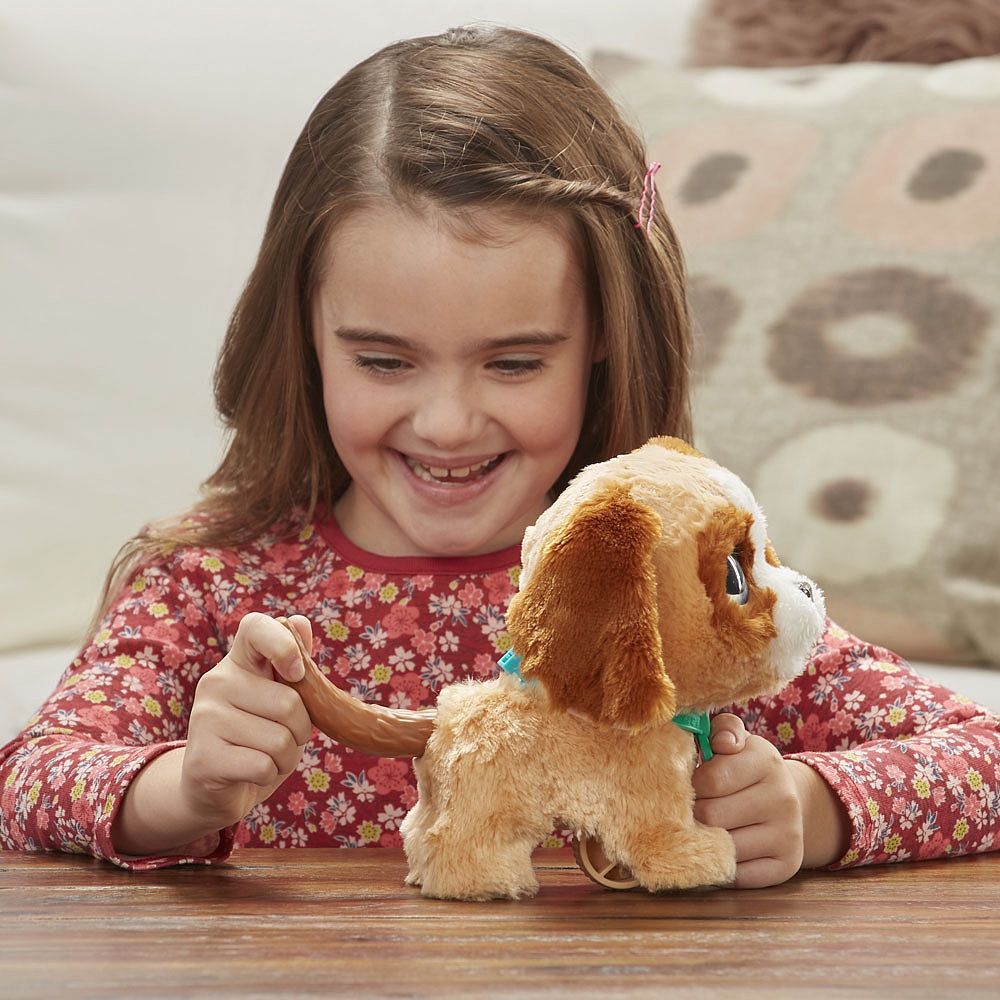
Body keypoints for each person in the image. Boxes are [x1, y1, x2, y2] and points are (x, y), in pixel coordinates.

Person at [1, 25, 997, 888]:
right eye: (383, 360)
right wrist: (174, 793)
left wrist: (812, 810)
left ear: (605, 338)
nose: (446, 423)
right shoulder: (209, 585)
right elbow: (29, 775)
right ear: (303, 334)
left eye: (515, 362)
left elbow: (981, 757)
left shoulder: (680, 579)